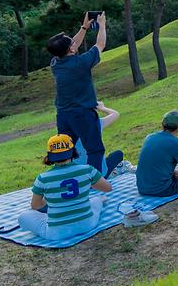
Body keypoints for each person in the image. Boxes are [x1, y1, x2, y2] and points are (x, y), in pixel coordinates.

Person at [47, 12, 122, 178]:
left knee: (67, 150)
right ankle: (95, 184)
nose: (74, 42)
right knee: (95, 149)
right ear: (71, 49)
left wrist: (84, 27)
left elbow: (72, 45)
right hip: (83, 115)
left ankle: (65, 179)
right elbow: (100, 44)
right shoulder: (80, 63)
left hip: (64, 115)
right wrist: (101, 25)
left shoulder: (55, 63)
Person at [19, 134, 112, 240]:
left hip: (57, 233)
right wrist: (89, 183)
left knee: (24, 216)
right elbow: (108, 188)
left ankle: (54, 218)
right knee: (95, 200)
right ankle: (99, 201)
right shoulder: (87, 170)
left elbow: (35, 206)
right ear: (73, 152)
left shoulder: (42, 178)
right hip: (88, 225)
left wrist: (49, 198)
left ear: (49, 156)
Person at [74, 101, 123, 178]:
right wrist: (102, 108)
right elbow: (116, 114)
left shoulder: (68, 131)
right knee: (119, 154)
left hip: (79, 178)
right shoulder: (97, 124)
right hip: (100, 176)